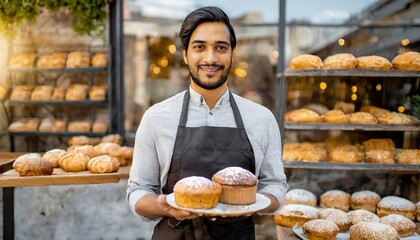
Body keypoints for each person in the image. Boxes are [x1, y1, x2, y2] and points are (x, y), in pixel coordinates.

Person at [127, 6, 288, 240]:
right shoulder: (156, 117)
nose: (210, 59)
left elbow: (275, 184)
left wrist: (254, 205)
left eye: (221, 48)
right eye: (199, 47)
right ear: (185, 53)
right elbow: (138, 190)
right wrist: (163, 207)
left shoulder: (261, 119)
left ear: (232, 52)